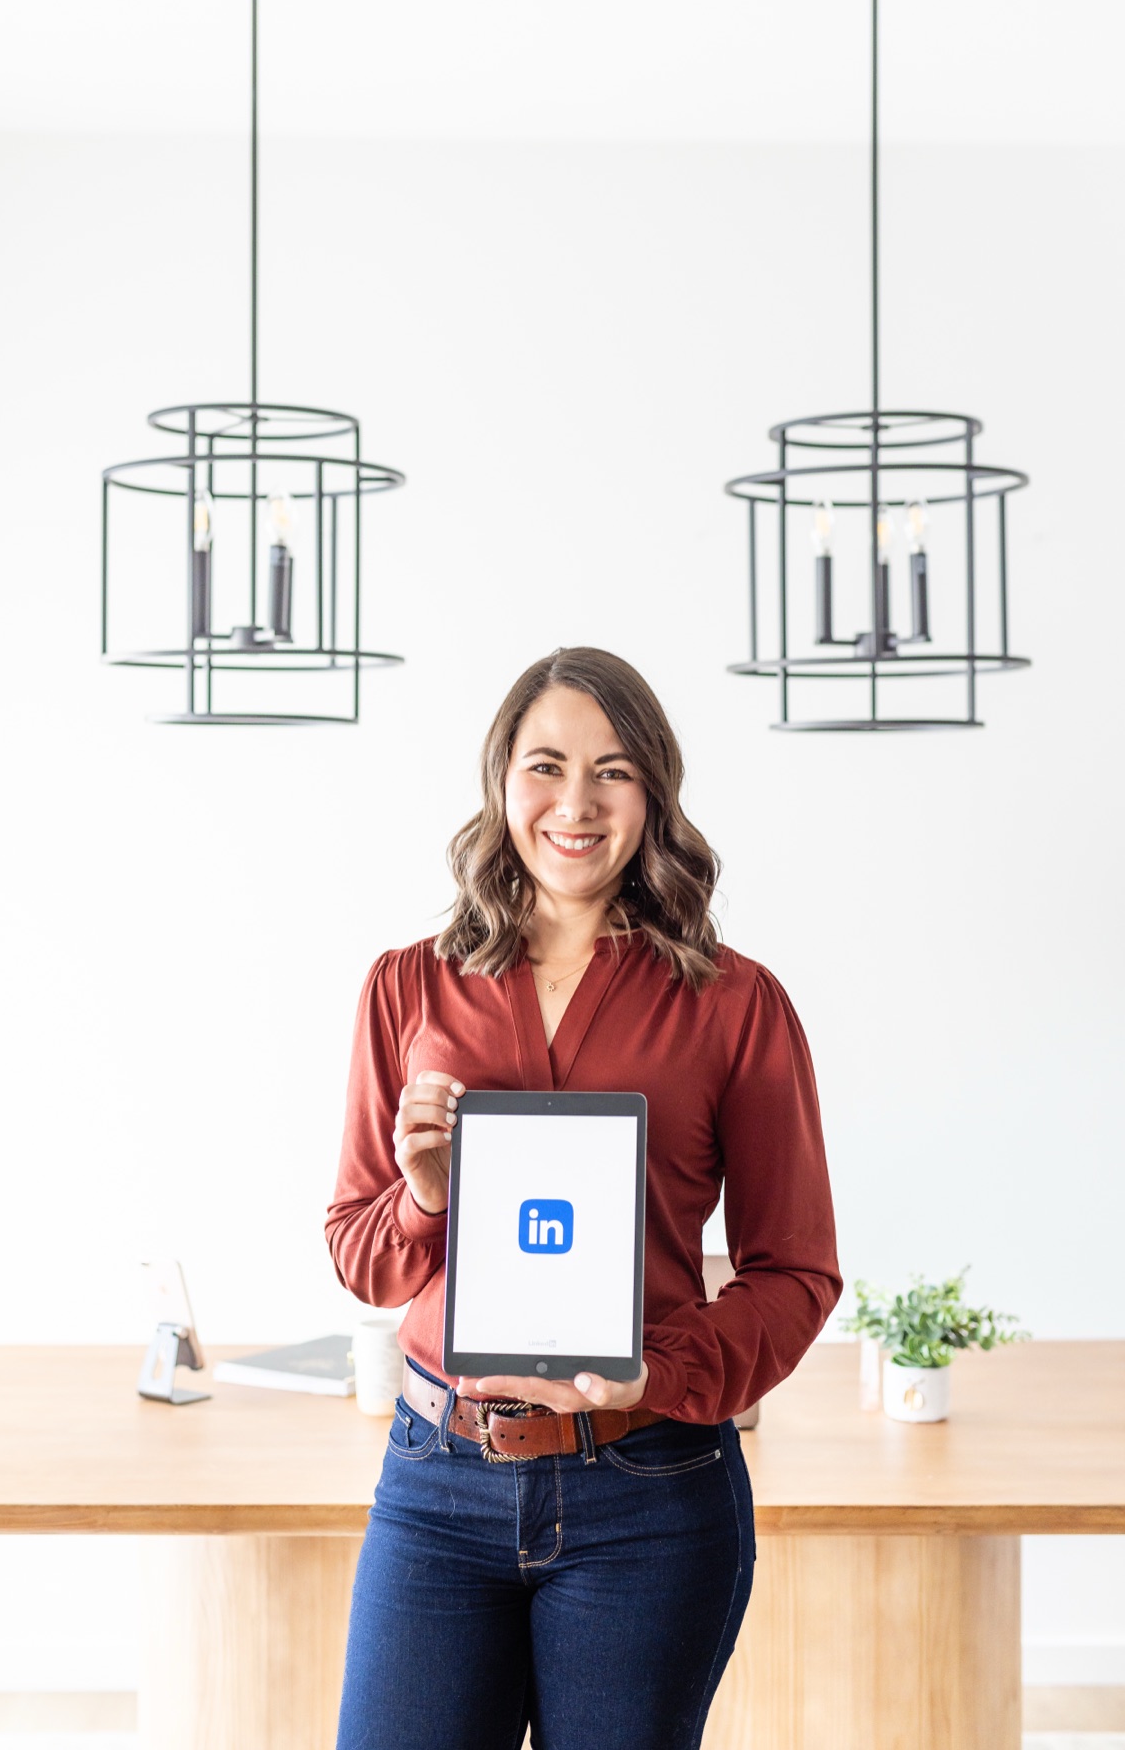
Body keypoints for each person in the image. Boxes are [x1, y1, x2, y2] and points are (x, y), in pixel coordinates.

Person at [326, 646, 842, 1750]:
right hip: (438, 1481)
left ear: (652, 792)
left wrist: (666, 1371)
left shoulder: (735, 1004)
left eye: (613, 770)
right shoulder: (407, 987)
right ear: (500, 779)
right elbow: (361, 1254)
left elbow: (796, 1272)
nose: (576, 803)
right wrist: (424, 1199)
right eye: (546, 765)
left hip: (649, 1491)